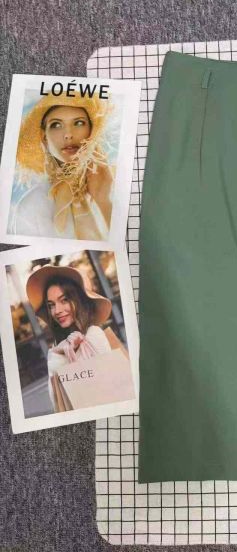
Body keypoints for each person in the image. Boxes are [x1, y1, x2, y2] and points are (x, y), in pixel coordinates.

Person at [9, 91, 115, 240]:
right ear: (44, 138)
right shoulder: (32, 204)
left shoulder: (117, 185)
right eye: (56, 125)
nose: (68, 134)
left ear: (91, 131)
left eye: (79, 123)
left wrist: (104, 200)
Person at [25, 264, 113, 412]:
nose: (57, 311)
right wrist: (57, 354)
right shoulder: (58, 345)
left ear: (78, 300)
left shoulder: (93, 334)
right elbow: (58, 402)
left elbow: (106, 387)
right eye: (51, 305)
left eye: (64, 300)